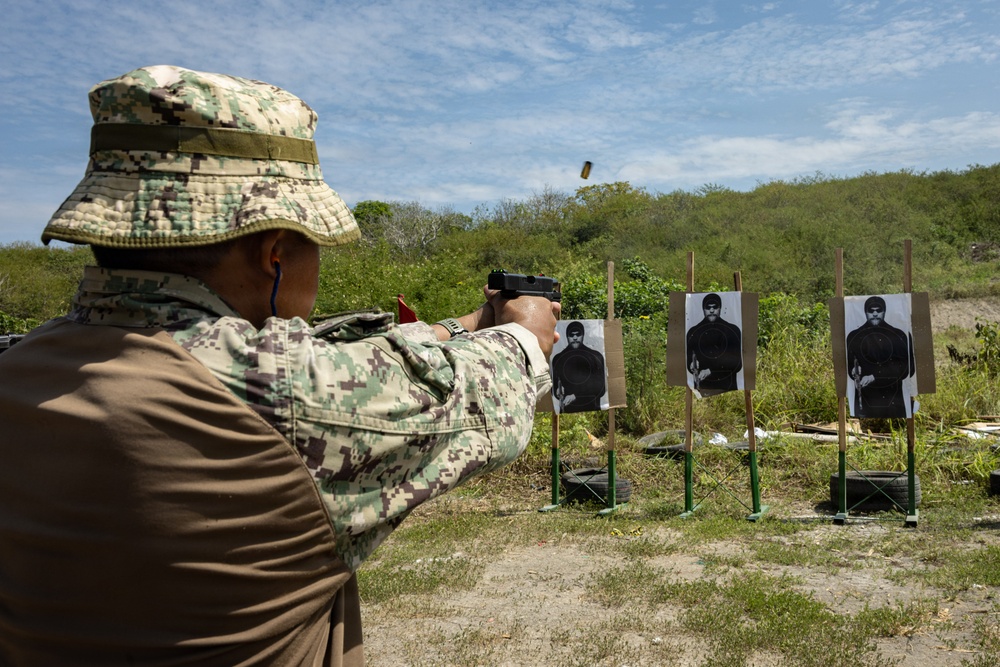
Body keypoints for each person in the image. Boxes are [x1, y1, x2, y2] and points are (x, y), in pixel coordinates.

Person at [0, 66, 559, 667]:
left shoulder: (24, 368)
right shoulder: (288, 397)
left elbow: (304, 354)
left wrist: (462, 327)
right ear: (275, 254)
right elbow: (482, 394)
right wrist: (524, 330)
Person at [846, 295, 915, 418]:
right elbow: (849, 365)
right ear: (865, 312)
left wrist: (875, 376)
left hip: (893, 399)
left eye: (879, 310)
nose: (875, 314)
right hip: (865, 400)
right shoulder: (854, 336)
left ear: (884, 311)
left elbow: (907, 368)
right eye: (871, 311)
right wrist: (853, 370)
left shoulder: (898, 335)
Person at [686, 293, 743, 396]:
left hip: (728, 390)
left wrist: (711, 371)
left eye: (715, 307)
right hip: (702, 390)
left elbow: (737, 364)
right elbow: (689, 361)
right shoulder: (693, 332)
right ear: (703, 309)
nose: (711, 311)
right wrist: (692, 364)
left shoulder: (732, 330)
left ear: (720, 308)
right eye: (708, 308)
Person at [551, 320, 606, 413]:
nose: (575, 337)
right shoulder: (558, 359)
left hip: (593, 409)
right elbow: (554, 388)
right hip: (566, 410)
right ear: (567, 336)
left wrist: (576, 395)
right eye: (571, 335)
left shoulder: (595, 357)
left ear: (583, 335)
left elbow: (601, 388)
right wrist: (557, 391)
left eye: (578, 334)